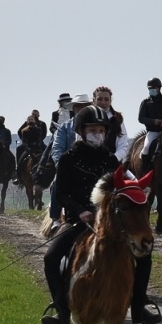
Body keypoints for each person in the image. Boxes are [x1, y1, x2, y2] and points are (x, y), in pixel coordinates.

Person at [40, 106, 162, 324]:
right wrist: (80, 211)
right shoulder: (68, 159)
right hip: (78, 219)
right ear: (82, 131)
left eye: (101, 131)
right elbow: (61, 193)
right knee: (51, 257)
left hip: (107, 221)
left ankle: (139, 306)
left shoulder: (109, 158)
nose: (98, 134)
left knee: (144, 255)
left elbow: (122, 186)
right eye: (93, 130)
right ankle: (61, 311)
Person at [46, 95, 93, 228]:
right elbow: (57, 148)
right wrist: (61, 165)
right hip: (69, 167)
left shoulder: (95, 126)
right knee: (57, 183)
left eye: (85, 106)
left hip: (91, 167)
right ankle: (55, 218)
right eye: (79, 106)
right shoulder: (65, 127)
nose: (82, 109)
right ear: (75, 108)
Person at [91, 86, 131, 162]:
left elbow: (123, 145)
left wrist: (114, 159)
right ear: (94, 100)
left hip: (112, 162)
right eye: (100, 99)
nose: (103, 102)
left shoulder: (117, 119)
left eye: (106, 99)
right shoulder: (86, 117)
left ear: (110, 101)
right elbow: (80, 140)